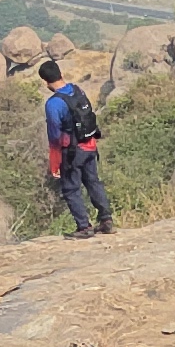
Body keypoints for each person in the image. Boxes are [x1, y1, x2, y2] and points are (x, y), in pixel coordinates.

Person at [40, 60, 115, 236]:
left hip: (72, 152)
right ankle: (106, 220)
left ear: (46, 81)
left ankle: (84, 227)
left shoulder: (53, 104)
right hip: (90, 146)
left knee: (71, 189)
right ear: (60, 74)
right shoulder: (77, 90)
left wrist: (55, 164)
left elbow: (55, 138)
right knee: (93, 182)